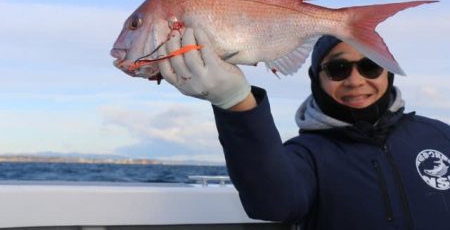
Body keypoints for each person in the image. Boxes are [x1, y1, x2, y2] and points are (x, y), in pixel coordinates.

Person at [157, 27, 450, 230]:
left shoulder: (440, 135)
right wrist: (236, 101)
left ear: (388, 73)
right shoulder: (306, 155)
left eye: (370, 66)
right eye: (338, 69)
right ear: (316, 79)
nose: (355, 80)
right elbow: (273, 202)